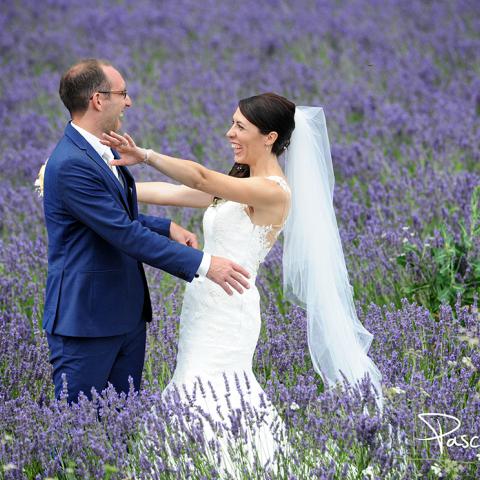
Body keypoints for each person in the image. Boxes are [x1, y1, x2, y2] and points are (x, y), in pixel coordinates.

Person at [102, 93, 384, 474]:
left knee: (207, 385)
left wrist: (146, 154)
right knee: (198, 382)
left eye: (240, 126)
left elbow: (201, 177)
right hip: (203, 304)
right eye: (232, 123)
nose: (229, 133)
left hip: (229, 309)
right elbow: (178, 192)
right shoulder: (241, 181)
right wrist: (106, 182)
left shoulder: (273, 190)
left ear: (269, 137)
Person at [42, 58, 250, 405]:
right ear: (97, 99)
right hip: (85, 322)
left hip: (124, 315)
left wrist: (165, 226)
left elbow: (113, 218)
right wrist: (204, 264)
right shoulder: (71, 164)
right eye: (123, 94)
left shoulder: (101, 149)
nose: (129, 102)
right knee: (74, 432)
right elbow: (122, 233)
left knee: (122, 429)